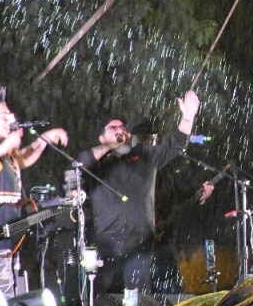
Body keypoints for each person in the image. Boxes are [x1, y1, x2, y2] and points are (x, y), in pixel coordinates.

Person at [76, 89, 200, 294]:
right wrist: (108, 147)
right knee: (105, 298)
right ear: (101, 137)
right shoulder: (96, 164)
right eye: (113, 128)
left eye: (122, 128)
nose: (119, 131)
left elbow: (174, 145)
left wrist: (188, 117)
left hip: (139, 241)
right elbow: (79, 165)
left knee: (137, 298)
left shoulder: (144, 156)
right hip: (107, 241)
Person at [0, 85, 69, 293]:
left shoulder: (1, 149)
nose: (12, 119)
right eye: (5, 116)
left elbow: (22, 159)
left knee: (4, 304)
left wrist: (44, 140)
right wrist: (5, 146)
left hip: (3, 241)